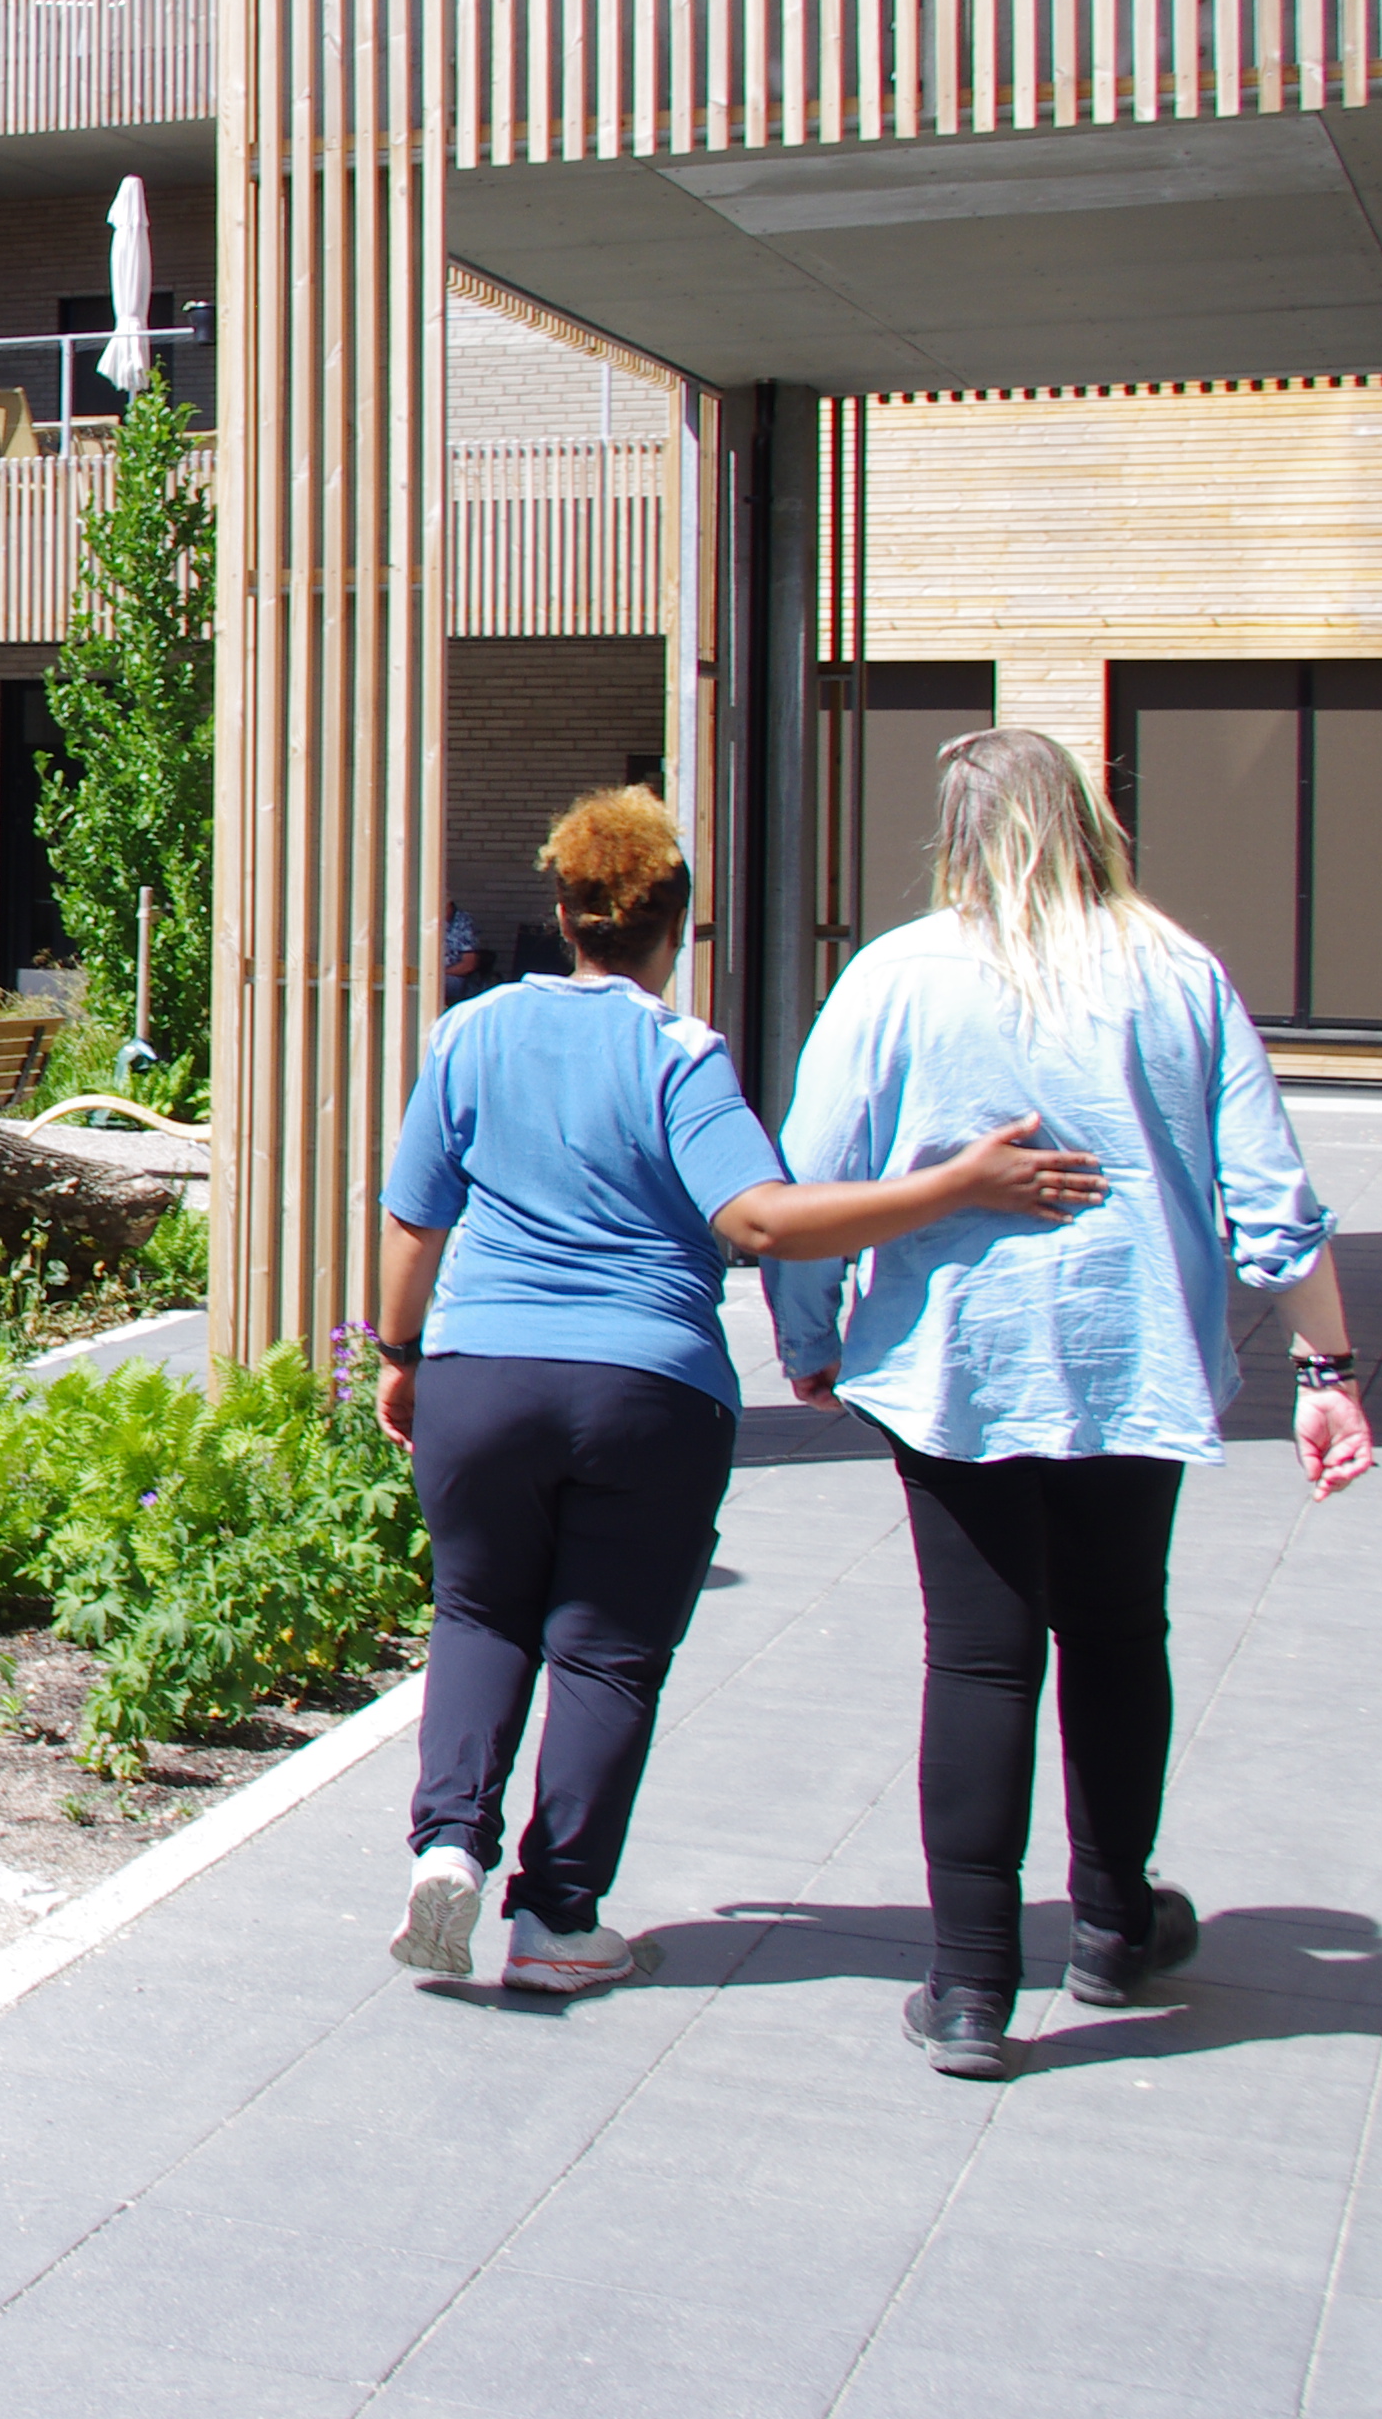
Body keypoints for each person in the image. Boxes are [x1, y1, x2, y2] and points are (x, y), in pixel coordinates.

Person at [370, 787, 1102, 1996]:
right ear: (675, 928)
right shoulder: (679, 1055)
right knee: (605, 1656)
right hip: (646, 1391)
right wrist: (958, 1184)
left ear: (562, 913)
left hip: (479, 1375)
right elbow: (760, 1221)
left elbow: (412, 1224)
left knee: (478, 1615)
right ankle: (554, 1923)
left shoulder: (471, 1032)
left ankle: (446, 1844)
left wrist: (400, 1356)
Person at [772, 728, 1366, 2082]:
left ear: (954, 835)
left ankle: (970, 1987)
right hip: (1130, 1359)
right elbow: (1272, 1200)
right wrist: (1326, 1373)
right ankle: (1110, 1921)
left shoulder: (895, 975)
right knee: (1115, 1635)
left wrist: (808, 1339)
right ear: (1089, 822)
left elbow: (807, 1179)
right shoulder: (1177, 972)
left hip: (956, 1367)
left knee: (979, 1661)